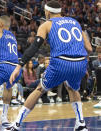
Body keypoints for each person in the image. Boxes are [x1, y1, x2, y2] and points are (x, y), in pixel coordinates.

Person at [8, 1, 92, 131]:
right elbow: (89, 48)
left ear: (47, 12)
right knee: (72, 88)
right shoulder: (75, 22)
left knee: (39, 89)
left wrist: (19, 65)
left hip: (61, 63)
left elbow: (34, 47)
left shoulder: (47, 24)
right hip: (80, 63)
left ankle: (17, 124)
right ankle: (81, 123)